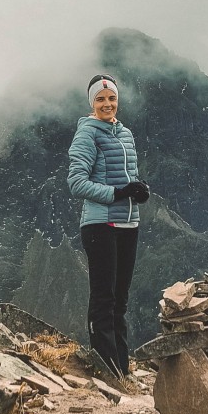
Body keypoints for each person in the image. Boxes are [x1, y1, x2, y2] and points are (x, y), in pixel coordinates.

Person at [67, 74, 150, 376]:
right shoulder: (87, 133)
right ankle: (106, 370)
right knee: (104, 298)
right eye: (100, 99)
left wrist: (138, 189)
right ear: (92, 102)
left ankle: (122, 372)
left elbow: (126, 176)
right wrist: (118, 193)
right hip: (100, 225)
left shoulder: (124, 133)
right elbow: (76, 183)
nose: (107, 104)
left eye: (111, 98)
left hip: (128, 224)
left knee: (120, 301)